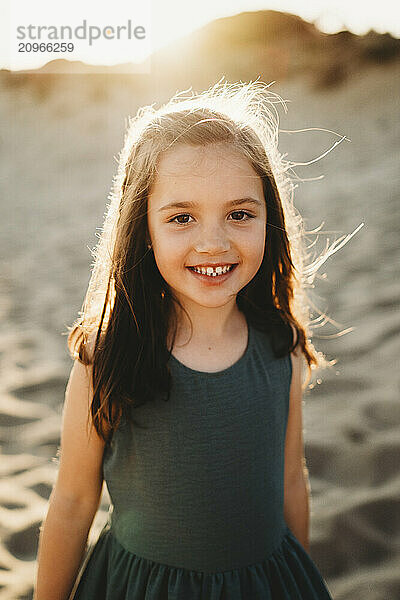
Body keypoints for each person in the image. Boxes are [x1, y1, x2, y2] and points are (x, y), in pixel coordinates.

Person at [33, 79, 339, 599]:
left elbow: (291, 480)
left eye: (240, 214)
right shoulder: (108, 357)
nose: (213, 242)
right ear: (142, 228)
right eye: (181, 218)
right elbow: (72, 502)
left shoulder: (280, 348)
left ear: (271, 219)